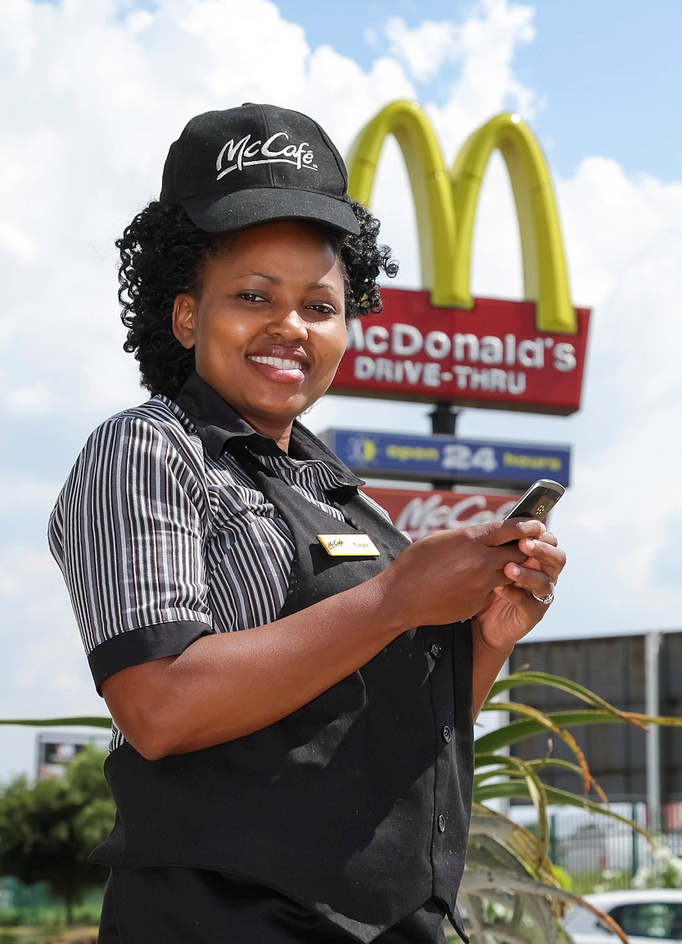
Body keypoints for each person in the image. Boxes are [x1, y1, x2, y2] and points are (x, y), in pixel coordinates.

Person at [48, 102, 565, 944]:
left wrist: (488, 639)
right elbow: (159, 706)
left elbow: (385, 742)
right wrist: (398, 597)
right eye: (253, 296)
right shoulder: (150, 452)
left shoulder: (342, 493)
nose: (289, 325)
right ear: (184, 314)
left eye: (320, 306)